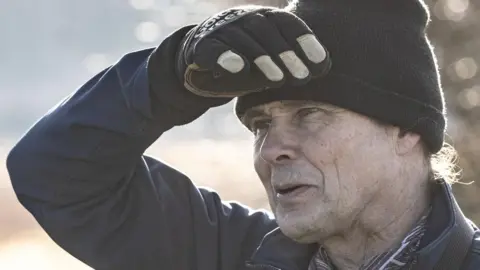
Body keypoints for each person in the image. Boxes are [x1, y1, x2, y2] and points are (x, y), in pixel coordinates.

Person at [6, 0, 480, 269]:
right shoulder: (227, 254)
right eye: (261, 124)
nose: (271, 149)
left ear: (407, 131)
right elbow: (52, 173)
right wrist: (168, 78)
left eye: (310, 114)